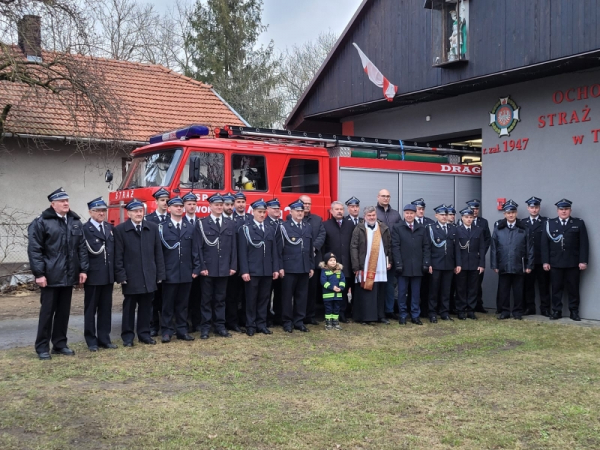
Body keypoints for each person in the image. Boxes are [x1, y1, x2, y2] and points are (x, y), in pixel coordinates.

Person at [28, 187, 88, 360]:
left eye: (67, 200)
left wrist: (83, 269)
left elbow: (81, 248)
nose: (66, 203)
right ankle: (42, 347)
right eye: (62, 201)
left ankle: (60, 344)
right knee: (47, 313)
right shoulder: (41, 222)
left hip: (69, 275)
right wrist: (39, 274)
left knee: (63, 312)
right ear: (53, 204)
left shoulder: (75, 221)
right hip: (50, 276)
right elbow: (35, 250)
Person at [114, 199, 165, 346]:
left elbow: (158, 253)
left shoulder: (152, 228)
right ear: (129, 213)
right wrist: (121, 276)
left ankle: (144, 334)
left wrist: (160, 274)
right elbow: (118, 256)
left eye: (140, 211)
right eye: (135, 211)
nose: (138, 214)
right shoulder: (120, 230)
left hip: (149, 275)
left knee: (146, 308)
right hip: (131, 276)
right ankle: (128, 337)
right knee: (129, 308)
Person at [192, 193, 237, 339]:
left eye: (220, 204)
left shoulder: (230, 223)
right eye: (216, 205)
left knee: (220, 299)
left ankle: (220, 326)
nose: (219, 207)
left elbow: (233, 248)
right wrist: (201, 267)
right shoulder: (202, 223)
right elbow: (198, 248)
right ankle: (205, 328)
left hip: (224, 268)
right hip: (208, 269)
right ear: (210, 206)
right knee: (206, 300)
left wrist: (233, 266)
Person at [541, 199, 589, 321]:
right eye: (561, 209)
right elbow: (544, 244)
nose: (564, 211)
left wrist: (583, 261)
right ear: (557, 211)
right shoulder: (550, 223)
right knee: (556, 289)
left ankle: (574, 311)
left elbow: (584, 243)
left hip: (573, 263)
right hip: (555, 263)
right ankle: (556, 311)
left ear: (570, 210)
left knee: (573, 288)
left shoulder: (578, 223)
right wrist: (545, 261)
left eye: (566, 209)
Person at [238, 199, 280, 336]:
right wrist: (244, 270)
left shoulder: (270, 228)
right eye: (259, 212)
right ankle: (250, 325)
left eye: (263, 212)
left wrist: (275, 268)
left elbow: (274, 251)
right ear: (253, 212)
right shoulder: (246, 228)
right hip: (252, 270)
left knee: (264, 299)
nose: (262, 215)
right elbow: (242, 252)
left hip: (266, 270)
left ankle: (261, 324)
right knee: (251, 299)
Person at [158, 196, 195, 343]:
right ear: (169, 209)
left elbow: (195, 250)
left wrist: (196, 268)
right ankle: (166, 331)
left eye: (181, 206)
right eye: (176, 206)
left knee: (183, 304)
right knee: (167, 304)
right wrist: (161, 272)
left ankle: (182, 330)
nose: (179, 208)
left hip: (186, 271)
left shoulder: (190, 227)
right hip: (170, 272)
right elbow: (159, 253)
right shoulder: (162, 228)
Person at [82, 197, 117, 352]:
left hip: (107, 275)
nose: (102, 213)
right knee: (91, 310)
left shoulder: (109, 228)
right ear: (90, 212)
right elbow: (82, 253)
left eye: (104, 210)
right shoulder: (85, 229)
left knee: (105, 309)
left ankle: (104, 338)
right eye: (98, 210)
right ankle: (91, 340)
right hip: (93, 275)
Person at [491, 200, 534, 320]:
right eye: (508, 212)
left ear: (516, 213)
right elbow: (494, 248)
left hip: (519, 265)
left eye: (513, 212)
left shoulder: (524, 228)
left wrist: (529, 265)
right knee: (503, 290)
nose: (511, 215)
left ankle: (517, 312)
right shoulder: (499, 228)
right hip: (503, 264)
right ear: (504, 214)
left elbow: (529, 248)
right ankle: (504, 311)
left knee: (518, 290)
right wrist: (494, 264)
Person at [277, 200, 314, 333]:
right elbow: (279, 249)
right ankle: (287, 322)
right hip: (289, 267)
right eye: (297, 211)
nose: (300, 213)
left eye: (301, 211)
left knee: (302, 296)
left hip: (304, 267)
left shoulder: (307, 227)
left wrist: (311, 266)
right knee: (287, 296)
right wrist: (280, 267)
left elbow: (310, 249)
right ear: (291, 212)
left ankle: (299, 321)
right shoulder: (284, 227)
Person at [350, 206, 392, 324]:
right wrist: (356, 266)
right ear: (365, 217)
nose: (372, 217)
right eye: (369, 215)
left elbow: (388, 246)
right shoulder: (359, 228)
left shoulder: (383, 228)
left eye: (373, 215)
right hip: (365, 265)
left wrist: (390, 261)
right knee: (366, 291)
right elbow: (353, 247)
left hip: (380, 264)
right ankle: (365, 317)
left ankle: (380, 315)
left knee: (380, 291)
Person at [392, 204, 431, 325]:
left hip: (418, 267)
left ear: (415, 214)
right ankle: (403, 315)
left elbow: (426, 247)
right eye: (407, 213)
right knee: (402, 293)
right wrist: (398, 263)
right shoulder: (397, 227)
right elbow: (395, 247)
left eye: (411, 213)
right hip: (403, 267)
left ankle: (415, 315)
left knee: (416, 293)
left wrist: (425, 263)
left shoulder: (421, 228)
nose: (409, 215)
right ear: (404, 214)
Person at [322, 201, 354, 322]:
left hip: (347, 263)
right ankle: (333, 314)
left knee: (344, 289)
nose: (339, 211)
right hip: (332, 265)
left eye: (341, 209)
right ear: (331, 211)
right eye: (336, 209)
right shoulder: (325, 225)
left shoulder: (350, 224)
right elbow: (324, 245)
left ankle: (344, 313)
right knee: (333, 290)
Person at [426, 205, 457, 323]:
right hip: (435, 264)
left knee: (446, 290)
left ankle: (445, 312)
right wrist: (428, 263)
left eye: (446, 215)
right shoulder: (431, 228)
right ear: (436, 216)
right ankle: (432, 313)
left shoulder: (452, 229)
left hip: (449, 264)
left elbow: (456, 249)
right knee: (434, 290)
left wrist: (457, 263)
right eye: (442, 215)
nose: (444, 217)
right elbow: (427, 247)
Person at [146, 187, 170, 337]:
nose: (165, 203)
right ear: (156, 202)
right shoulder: (149, 220)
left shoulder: (172, 218)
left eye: (167, 200)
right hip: (154, 265)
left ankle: (167, 324)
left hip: (169, 264)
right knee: (153, 298)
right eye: (162, 200)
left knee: (167, 298)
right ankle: (153, 325)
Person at [521, 196, 551, 316]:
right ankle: (530, 308)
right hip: (528, 261)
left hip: (541, 259)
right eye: (532, 207)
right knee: (528, 286)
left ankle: (545, 309)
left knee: (544, 286)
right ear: (528, 208)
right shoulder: (523, 223)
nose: (534, 210)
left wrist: (547, 260)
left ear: (539, 208)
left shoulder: (546, 222)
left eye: (536, 207)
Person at [454, 207, 485, 320]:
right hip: (461, 264)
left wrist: (481, 264)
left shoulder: (478, 230)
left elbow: (482, 248)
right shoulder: (457, 230)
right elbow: (456, 249)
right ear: (462, 218)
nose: (469, 219)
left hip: (474, 263)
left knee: (473, 287)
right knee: (461, 288)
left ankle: (471, 310)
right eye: (466, 217)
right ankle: (461, 310)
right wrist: (457, 264)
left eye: (471, 217)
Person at [300, 195, 326, 326]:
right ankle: (299, 315)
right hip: (299, 262)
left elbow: (322, 234)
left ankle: (310, 316)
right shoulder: (292, 218)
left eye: (309, 203)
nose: (307, 206)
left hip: (314, 260)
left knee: (312, 290)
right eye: (304, 203)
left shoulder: (317, 219)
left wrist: (314, 247)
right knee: (300, 291)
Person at [375, 189, 401, 319]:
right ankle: (377, 311)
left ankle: (389, 310)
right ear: (378, 197)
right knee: (377, 285)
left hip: (392, 254)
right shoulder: (373, 213)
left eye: (388, 196)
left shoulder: (396, 215)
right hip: (377, 254)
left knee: (390, 284)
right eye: (383, 196)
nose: (386, 198)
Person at [222, 192, 245, 332]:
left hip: (235, 265)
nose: (230, 207)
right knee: (220, 296)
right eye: (227, 204)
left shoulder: (239, 221)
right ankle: (219, 321)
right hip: (221, 264)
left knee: (234, 296)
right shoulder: (217, 220)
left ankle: (232, 322)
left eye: (232, 204)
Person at [182, 192, 202, 331]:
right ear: (184, 206)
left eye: (194, 204)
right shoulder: (180, 222)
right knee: (184, 298)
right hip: (185, 266)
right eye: (189, 204)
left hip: (199, 266)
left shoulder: (201, 222)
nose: (192, 206)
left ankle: (197, 323)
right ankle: (185, 323)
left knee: (198, 296)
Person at [466, 199, 491, 313]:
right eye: (472, 209)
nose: (474, 211)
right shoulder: (463, 220)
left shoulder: (483, 222)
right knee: (465, 283)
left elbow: (487, 239)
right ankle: (466, 305)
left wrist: (481, 252)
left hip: (478, 258)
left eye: (476, 209)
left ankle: (478, 304)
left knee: (477, 283)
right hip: (466, 258)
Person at [412, 198, 434, 317]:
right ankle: (413, 310)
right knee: (412, 288)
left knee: (426, 287)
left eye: (422, 209)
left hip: (426, 260)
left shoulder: (430, 222)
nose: (421, 211)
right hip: (413, 260)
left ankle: (425, 310)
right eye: (418, 209)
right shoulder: (408, 221)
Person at [265, 198, 283, 326]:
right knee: (266, 294)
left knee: (280, 292)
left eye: (278, 208)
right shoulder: (264, 223)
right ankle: (266, 317)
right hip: (269, 264)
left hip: (282, 263)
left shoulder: (283, 223)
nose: (277, 211)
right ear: (267, 210)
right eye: (274, 208)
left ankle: (278, 316)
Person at [319, 252, 346, 330]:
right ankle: (328, 323)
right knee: (329, 309)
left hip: (338, 295)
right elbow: (323, 282)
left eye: (334, 260)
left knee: (336, 308)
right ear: (326, 262)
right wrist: (332, 287)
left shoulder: (339, 271)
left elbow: (342, 280)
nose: (333, 261)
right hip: (328, 295)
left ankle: (335, 322)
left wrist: (341, 288)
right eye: (330, 260)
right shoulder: (324, 271)